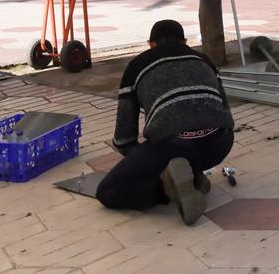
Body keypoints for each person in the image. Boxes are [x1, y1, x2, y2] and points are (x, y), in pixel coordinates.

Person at [97, 20, 235, 224]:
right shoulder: (204, 60)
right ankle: (194, 174)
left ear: (150, 43)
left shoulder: (137, 65)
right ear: (185, 41)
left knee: (108, 191)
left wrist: (147, 165)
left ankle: (167, 186)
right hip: (220, 143)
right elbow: (225, 112)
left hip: (173, 144)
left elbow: (124, 138)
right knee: (187, 147)